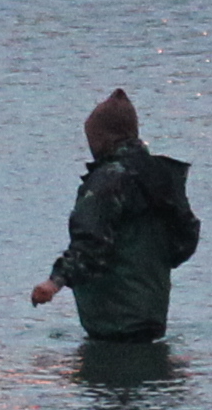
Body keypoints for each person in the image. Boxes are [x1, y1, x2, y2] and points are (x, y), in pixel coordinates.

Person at [30, 88, 199, 343]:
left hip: (112, 318)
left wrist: (55, 282)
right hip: (152, 313)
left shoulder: (107, 181)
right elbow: (187, 238)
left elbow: (90, 243)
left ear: (102, 137)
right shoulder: (162, 175)